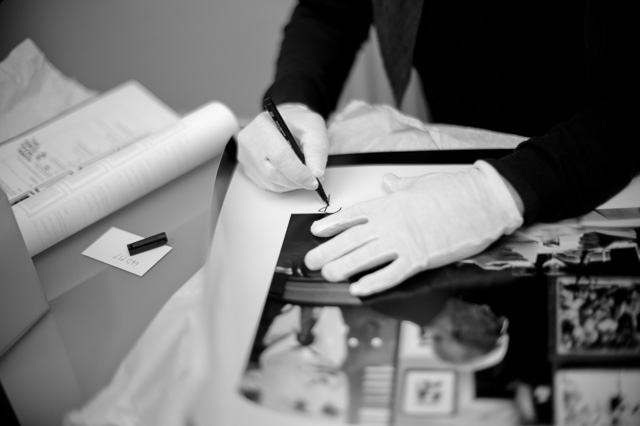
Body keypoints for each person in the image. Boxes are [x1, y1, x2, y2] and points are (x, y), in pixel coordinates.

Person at [237, 0, 638, 297]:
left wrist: (496, 195)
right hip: (449, 142)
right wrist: (293, 100)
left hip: (600, 162)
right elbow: (330, 12)